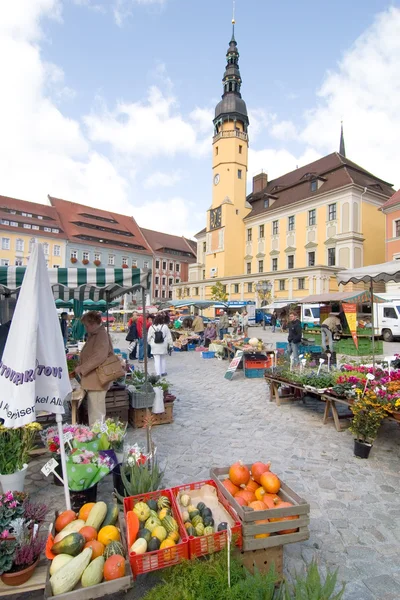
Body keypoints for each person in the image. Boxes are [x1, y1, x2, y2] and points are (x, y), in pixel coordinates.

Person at [74, 311, 115, 425]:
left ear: (93, 324)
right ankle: (96, 436)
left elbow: (99, 356)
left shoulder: (101, 335)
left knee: (97, 414)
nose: (86, 328)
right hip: (94, 380)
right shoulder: (96, 334)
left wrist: (82, 368)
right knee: (95, 411)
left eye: (86, 325)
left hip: (97, 380)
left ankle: (98, 439)